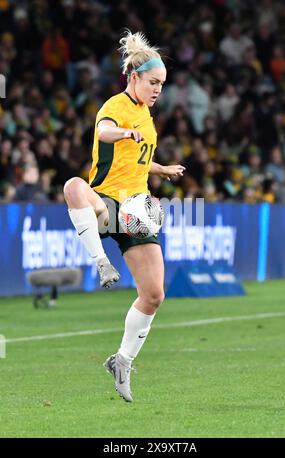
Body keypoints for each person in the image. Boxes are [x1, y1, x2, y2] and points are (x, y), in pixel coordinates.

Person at [63, 30, 185, 402]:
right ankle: (101, 263)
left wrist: (160, 168)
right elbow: (104, 132)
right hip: (105, 203)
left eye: (162, 84)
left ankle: (122, 361)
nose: (157, 90)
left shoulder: (147, 117)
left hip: (136, 211)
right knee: (72, 186)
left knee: (153, 295)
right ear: (134, 77)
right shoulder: (115, 106)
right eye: (153, 82)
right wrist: (124, 132)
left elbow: (139, 159)